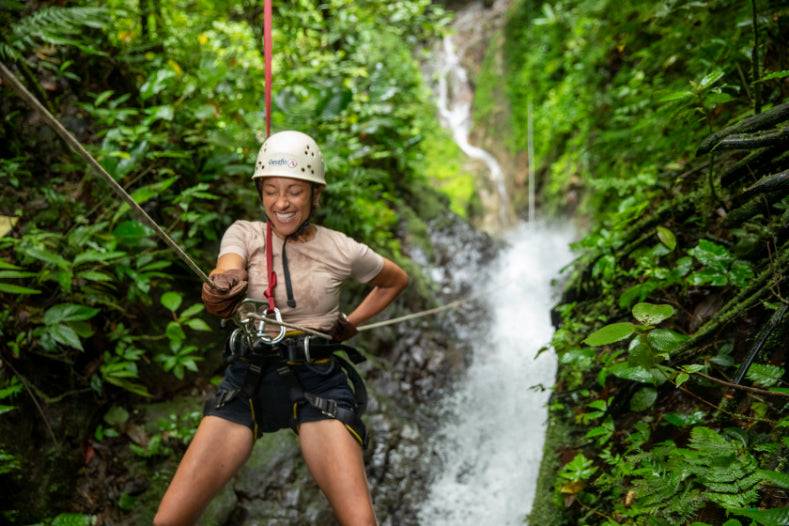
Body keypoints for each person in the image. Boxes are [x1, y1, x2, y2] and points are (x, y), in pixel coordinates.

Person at [154, 130, 409, 526]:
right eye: (271, 191)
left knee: (361, 522)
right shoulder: (246, 234)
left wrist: (350, 323)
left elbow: (394, 280)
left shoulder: (341, 249)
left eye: (294, 191)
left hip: (317, 382)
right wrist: (223, 287)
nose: (282, 203)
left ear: (314, 195)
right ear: (260, 193)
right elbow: (228, 267)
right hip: (248, 376)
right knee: (167, 521)